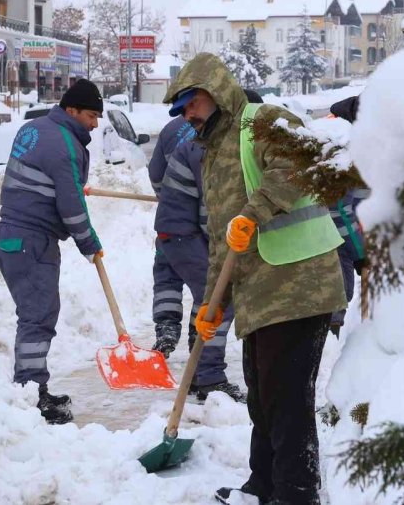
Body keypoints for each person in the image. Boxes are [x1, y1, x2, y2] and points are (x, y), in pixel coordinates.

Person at [165, 54, 346, 505]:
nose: (187, 113)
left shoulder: (263, 120)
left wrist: (254, 212)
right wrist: (212, 305)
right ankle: (262, 488)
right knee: (262, 400)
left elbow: (301, 164)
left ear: (217, 91)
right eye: (180, 108)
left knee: (287, 404)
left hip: (301, 285)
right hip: (261, 295)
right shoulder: (211, 157)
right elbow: (224, 244)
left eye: (191, 101)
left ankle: (296, 495)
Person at [0, 80, 104, 425]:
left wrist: (65, 183)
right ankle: (30, 393)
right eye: (90, 115)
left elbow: (46, 180)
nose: (95, 124)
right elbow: (71, 206)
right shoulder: (63, 144)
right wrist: (89, 243)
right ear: (72, 110)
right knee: (38, 315)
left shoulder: (35, 128)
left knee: (36, 312)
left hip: (11, 235)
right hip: (31, 239)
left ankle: (32, 387)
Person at [147, 89, 264, 403]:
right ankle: (208, 378)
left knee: (192, 290)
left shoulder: (178, 132)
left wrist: (172, 198)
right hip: (185, 232)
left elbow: (157, 173)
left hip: (174, 229)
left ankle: (188, 355)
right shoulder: (221, 144)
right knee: (219, 299)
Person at [327, 95, 369, 337]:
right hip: (342, 244)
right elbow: (340, 211)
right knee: (339, 299)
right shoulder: (345, 151)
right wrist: (360, 254)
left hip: (357, 238)